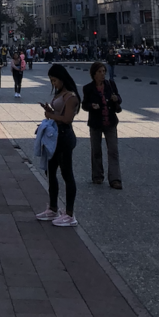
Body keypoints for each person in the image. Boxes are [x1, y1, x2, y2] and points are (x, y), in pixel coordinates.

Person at [36, 64, 80, 227]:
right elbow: (59, 114)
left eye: (54, 80)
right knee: (51, 171)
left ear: (62, 78)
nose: (53, 83)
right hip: (54, 136)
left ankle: (69, 214)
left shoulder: (71, 97)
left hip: (65, 136)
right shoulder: (61, 93)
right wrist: (50, 110)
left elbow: (67, 119)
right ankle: (53, 208)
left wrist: (50, 115)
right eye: (51, 81)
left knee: (67, 174)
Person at [82, 61, 122, 189]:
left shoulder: (110, 85)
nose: (102, 74)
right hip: (96, 123)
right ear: (94, 74)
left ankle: (115, 179)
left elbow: (119, 98)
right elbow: (84, 105)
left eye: (104, 71)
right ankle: (97, 176)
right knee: (96, 150)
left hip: (110, 121)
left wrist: (117, 99)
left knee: (113, 151)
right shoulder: (88, 88)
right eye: (100, 72)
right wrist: (91, 106)